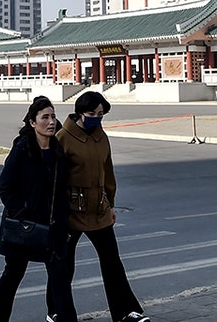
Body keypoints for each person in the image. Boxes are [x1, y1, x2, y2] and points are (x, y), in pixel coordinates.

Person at [55, 91, 148, 322]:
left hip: (99, 210)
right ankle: (58, 313)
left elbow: (108, 171)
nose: (97, 118)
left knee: (112, 263)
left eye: (101, 114)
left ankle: (125, 312)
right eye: (92, 114)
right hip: (72, 212)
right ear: (79, 112)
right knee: (63, 267)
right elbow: (55, 180)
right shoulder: (62, 138)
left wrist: (111, 204)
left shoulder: (100, 135)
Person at [0, 95, 75, 322]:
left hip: (53, 226)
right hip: (24, 227)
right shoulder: (22, 150)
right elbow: (5, 188)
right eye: (45, 117)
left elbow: (62, 189)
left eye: (53, 117)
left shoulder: (57, 151)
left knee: (60, 277)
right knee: (13, 275)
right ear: (32, 122)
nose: (51, 122)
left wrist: (64, 218)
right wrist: (23, 216)